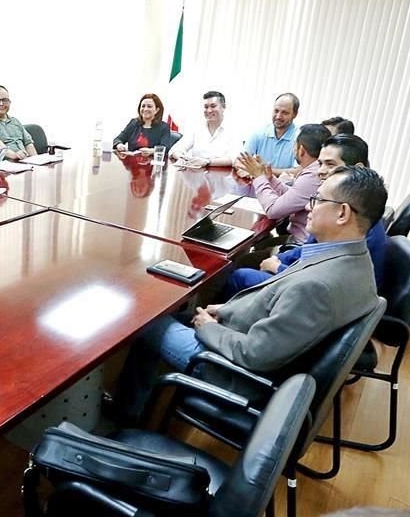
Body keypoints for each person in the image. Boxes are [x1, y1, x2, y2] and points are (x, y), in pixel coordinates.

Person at [113, 165, 387, 425]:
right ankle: (134, 403)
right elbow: (279, 304)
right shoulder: (354, 261)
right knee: (172, 311)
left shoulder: (319, 286)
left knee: (146, 320)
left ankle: (127, 415)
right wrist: (226, 311)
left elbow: (256, 355)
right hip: (248, 338)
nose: (307, 206)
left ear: (342, 213)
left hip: (232, 371)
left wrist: (209, 327)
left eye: (317, 200)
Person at [224, 134, 388, 296]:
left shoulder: (353, 220)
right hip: (305, 271)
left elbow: (321, 281)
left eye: (330, 164)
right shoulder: (346, 203)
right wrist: (280, 259)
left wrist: (278, 267)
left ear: (357, 169)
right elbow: (309, 250)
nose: (321, 172)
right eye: (320, 164)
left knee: (240, 273)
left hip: (320, 296)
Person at [236, 124, 331, 244]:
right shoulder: (313, 169)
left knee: (245, 256)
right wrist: (270, 179)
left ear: (301, 150)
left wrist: (258, 177)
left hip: (300, 245)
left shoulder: (313, 175)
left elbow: (273, 211)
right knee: (261, 242)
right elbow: (295, 196)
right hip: (300, 238)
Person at [168, 90, 238, 167]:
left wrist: (207, 162)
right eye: (206, 107)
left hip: (222, 176)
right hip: (197, 174)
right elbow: (175, 149)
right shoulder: (197, 128)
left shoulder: (233, 129)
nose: (209, 110)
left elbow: (233, 159)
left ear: (223, 107)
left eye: (213, 106)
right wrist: (183, 158)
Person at [241, 93, 301, 173]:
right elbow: (240, 161)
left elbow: (299, 171)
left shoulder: (301, 137)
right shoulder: (259, 132)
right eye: (276, 111)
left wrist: (263, 171)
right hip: (257, 183)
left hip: (285, 184)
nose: (278, 116)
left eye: (284, 112)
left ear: (295, 114)